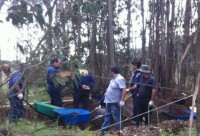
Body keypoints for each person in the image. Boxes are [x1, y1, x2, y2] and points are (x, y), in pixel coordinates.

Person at [101, 67, 126, 135]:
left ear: (113, 72)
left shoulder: (120, 79)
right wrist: (107, 93)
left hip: (114, 102)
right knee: (107, 117)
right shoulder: (113, 79)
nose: (111, 73)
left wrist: (122, 100)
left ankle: (118, 132)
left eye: (111, 72)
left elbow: (124, 89)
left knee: (116, 117)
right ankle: (103, 133)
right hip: (108, 101)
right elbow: (112, 88)